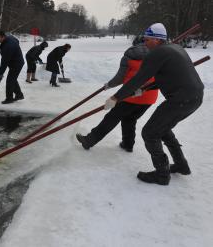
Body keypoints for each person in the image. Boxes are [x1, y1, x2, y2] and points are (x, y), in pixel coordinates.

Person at [104, 23, 204, 185]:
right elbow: (167, 76)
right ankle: (181, 165)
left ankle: (162, 174)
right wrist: (142, 90)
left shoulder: (156, 54)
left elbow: (138, 78)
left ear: (157, 40)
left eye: (147, 39)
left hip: (180, 100)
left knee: (150, 132)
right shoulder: (175, 49)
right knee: (162, 129)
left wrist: (116, 97)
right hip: (195, 97)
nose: (145, 42)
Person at [76, 36, 158, 152]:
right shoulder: (157, 55)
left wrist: (108, 85)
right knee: (130, 118)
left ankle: (89, 141)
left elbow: (120, 78)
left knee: (111, 117)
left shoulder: (129, 56)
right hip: (150, 95)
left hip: (131, 95)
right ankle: (128, 144)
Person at [0, 31, 25, 104]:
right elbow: (16, 40)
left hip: (16, 64)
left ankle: (9, 98)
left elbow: (4, 62)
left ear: (3, 37)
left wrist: (1, 73)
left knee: (10, 81)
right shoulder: (9, 38)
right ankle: (19, 95)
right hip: (16, 62)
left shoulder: (8, 47)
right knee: (12, 79)